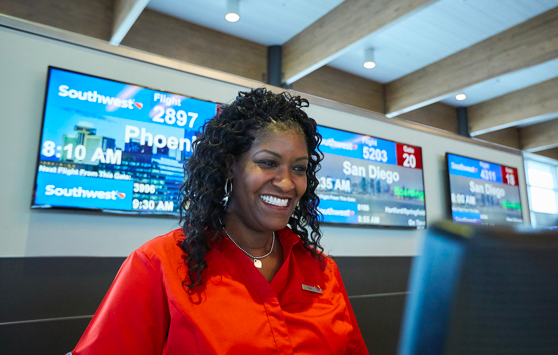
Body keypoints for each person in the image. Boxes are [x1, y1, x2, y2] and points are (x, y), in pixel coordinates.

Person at [70, 88, 369, 355]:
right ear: (230, 166)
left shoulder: (322, 271)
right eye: (268, 163)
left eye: (299, 168)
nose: (287, 183)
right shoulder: (159, 264)